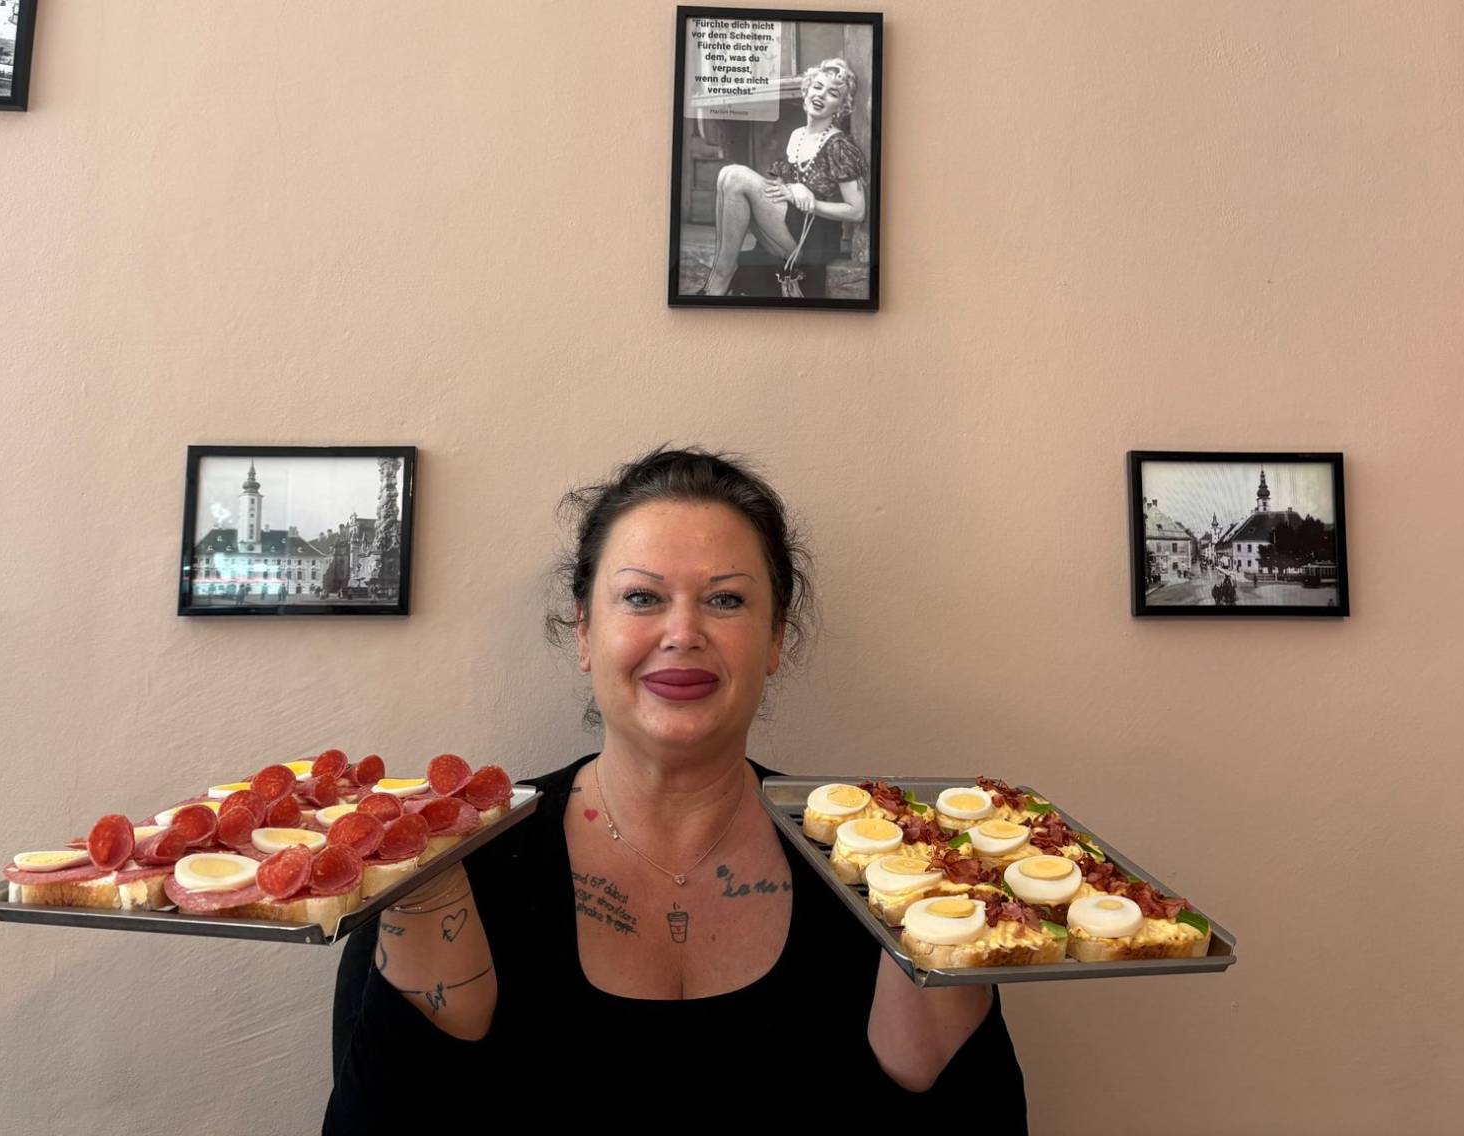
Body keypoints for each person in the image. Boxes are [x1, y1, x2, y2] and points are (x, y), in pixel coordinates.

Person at [325, 447, 1025, 1130]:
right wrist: (410, 875)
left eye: (726, 599)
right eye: (641, 597)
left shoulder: (896, 868)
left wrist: (941, 891)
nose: (683, 632)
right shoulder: (456, 862)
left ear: (776, 636)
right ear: (585, 633)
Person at [702, 58, 871, 296]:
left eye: (833, 93)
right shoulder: (797, 135)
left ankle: (721, 278)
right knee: (726, 174)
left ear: (841, 107)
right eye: (817, 86)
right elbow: (780, 184)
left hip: (814, 239)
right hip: (789, 226)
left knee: (736, 176)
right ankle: (720, 276)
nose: (821, 95)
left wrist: (812, 203)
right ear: (807, 89)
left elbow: (857, 211)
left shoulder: (839, 145)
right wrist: (794, 188)